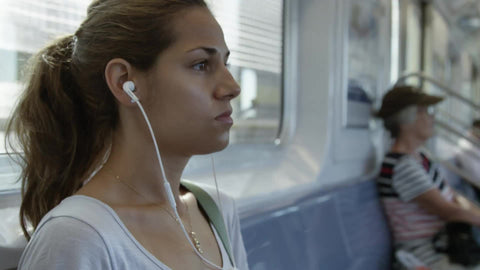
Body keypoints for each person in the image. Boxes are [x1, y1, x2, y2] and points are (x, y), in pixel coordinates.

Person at [5, 0, 249, 269]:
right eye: (201, 64)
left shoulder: (217, 210)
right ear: (124, 82)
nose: (232, 87)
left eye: (225, 63)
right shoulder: (78, 236)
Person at [375, 85, 480, 270]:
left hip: (447, 248)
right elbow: (450, 211)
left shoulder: (421, 157)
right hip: (427, 257)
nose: (432, 117)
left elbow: (454, 198)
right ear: (406, 119)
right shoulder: (402, 167)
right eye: (425, 111)